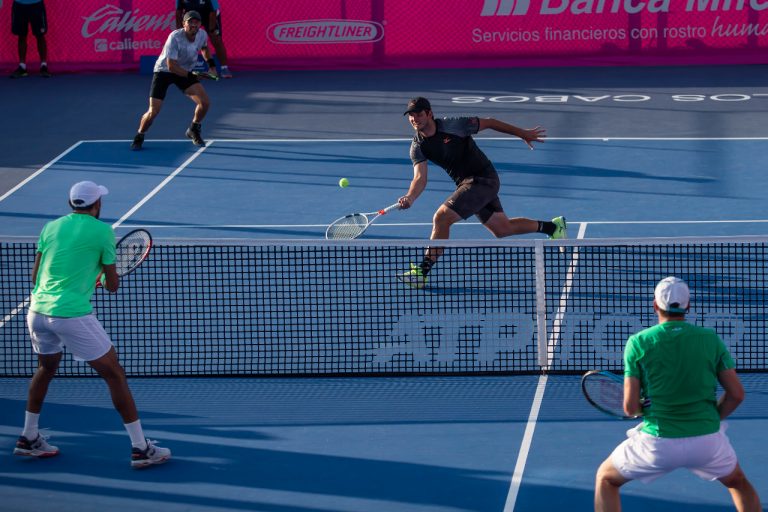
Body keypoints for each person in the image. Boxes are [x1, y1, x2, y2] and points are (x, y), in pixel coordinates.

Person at [15, 181, 171, 469]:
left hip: (36, 311)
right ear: (97, 204)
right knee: (115, 374)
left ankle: (28, 437)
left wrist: (84, 277)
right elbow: (112, 285)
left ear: (71, 203)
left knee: (45, 369)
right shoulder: (103, 232)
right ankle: (141, 448)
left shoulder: (50, 227)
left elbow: (36, 276)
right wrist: (97, 278)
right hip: (71, 314)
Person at [594, 277, 761, 512]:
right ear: (687, 306)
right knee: (738, 483)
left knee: (606, 478)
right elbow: (737, 394)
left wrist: (643, 406)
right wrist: (712, 417)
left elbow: (630, 408)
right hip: (707, 442)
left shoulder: (638, 342)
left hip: (657, 445)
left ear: (655, 305)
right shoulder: (710, 339)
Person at [397, 97, 566, 289]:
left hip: (483, 179)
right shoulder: (417, 146)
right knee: (502, 229)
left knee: (441, 218)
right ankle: (553, 228)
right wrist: (410, 197)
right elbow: (420, 178)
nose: (414, 119)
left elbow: (490, 122)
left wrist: (522, 133)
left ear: (429, 113)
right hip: (468, 185)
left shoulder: (454, 125)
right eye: (411, 115)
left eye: (419, 114)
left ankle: (422, 272)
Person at [130, 10, 216, 150]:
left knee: (205, 103)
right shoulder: (175, 37)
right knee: (153, 111)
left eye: (196, 22)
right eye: (190, 22)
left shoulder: (202, 34)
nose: (194, 25)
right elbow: (171, 66)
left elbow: (204, 48)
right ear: (184, 24)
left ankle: (194, 128)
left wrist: (211, 65)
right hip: (164, 71)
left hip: (185, 71)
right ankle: (140, 134)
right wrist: (191, 76)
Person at [175, 0, 232, 78]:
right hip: (191, 18)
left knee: (216, 40)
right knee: (185, 41)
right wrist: (179, 30)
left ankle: (224, 68)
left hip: (209, 16)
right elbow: (178, 12)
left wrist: (212, 29)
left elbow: (213, 11)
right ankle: (184, 68)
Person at [9, 0, 51, 78]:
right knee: (21, 35)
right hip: (19, 5)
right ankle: (22, 67)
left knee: (40, 35)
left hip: (36, 4)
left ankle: (43, 66)